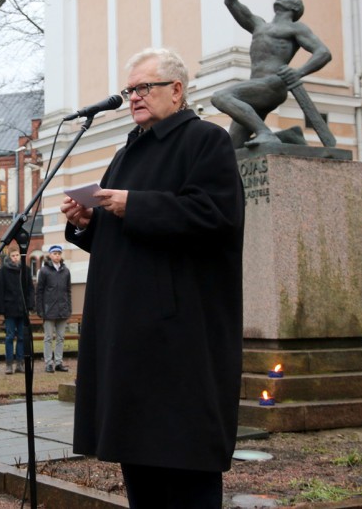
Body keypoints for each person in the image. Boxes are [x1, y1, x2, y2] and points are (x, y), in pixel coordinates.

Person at [62, 48, 244, 508]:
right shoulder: (127, 152)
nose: (134, 98)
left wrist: (135, 204)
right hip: (128, 331)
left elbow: (217, 214)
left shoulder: (207, 140)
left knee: (183, 457)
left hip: (178, 335)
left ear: (177, 90)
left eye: (145, 88)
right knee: (137, 453)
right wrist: (88, 221)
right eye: (130, 90)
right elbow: (120, 236)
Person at [212, 0, 332, 148]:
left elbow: (323, 52)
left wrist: (299, 72)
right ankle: (291, 137)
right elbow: (230, 1)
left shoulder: (295, 28)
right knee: (233, 148)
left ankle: (265, 133)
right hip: (255, 87)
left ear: (294, 7)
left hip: (273, 85)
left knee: (221, 97)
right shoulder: (258, 25)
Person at [36, 244, 72, 373]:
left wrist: (69, 308)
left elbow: (68, 291)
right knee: (48, 338)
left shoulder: (66, 271)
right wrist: (40, 309)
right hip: (49, 309)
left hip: (62, 309)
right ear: (50, 255)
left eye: (59, 253)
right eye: (55, 253)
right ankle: (48, 363)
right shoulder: (45, 271)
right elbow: (39, 291)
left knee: (61, 337)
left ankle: (58, 362)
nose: (57, 256)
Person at [0, 248, 33, 375]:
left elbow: (30, 288)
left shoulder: (26, 270)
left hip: (22, 308)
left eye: (17, 255)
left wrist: (29, 305)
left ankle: (20, 363)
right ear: (9, 257)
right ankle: (9, 364)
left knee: (22, 337)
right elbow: (0, 289)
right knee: (9, 337)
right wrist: (1, 309)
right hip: (9, 308)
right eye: (13, 255)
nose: (15, 257)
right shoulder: (3, 271)